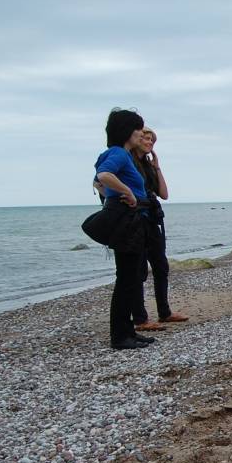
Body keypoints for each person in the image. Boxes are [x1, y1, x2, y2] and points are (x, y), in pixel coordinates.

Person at [94, 108, 155, 351]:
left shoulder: (122, 154)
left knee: (131, 277)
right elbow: (103, 175)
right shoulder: (118, 153)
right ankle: (120, 336)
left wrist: (112, 194)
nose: (142, 133)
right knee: (127, 278)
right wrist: (126, 193)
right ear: (127, 131)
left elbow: (97, 183)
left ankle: (128, 330)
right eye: (138, 129)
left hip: (130, 217)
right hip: (127, 220)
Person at [131, 128, 188, 330]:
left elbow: (164, 194)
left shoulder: (148, 166)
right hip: (135, 222)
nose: (149, 143)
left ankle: (165, 312)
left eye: (152, 141)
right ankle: (140, 318)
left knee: (161, 266)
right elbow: (100, 181)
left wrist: (157, 167)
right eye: (146, 139)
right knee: (138, 271)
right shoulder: (127, 162)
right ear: (135, 139)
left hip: (152, 220)